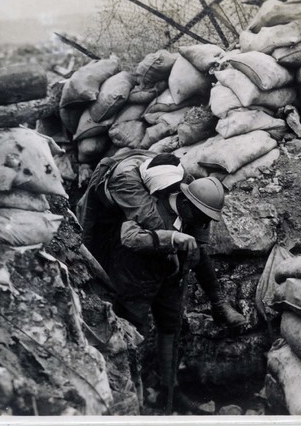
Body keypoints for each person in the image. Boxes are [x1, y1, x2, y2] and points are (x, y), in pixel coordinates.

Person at [80, 151, 246, 413]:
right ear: (187, 202)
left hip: (169, 275)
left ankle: (170, 390)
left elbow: (200, 252)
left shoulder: (196, 214)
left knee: (171, 325)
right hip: (134, 273)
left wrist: (219, 301)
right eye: (201, 215)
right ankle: (133, 395)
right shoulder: (145, 201)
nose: (204, 222)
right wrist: (171, 240)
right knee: (131, 330)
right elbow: (129, 237)